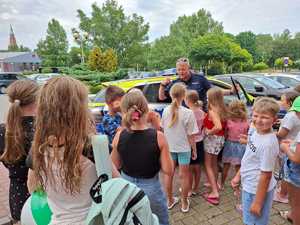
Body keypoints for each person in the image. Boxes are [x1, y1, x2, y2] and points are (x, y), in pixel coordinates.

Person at [32, 76, 118, 224]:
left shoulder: (38, 149)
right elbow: (118, 187)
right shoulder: (92, 146)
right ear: (78, 110)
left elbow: (33, 187)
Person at [111, 90, 173, 225]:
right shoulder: (158, 136)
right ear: (146, 110)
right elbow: (168, 170)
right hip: (151, 189)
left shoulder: (119, 135)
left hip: (127, 188)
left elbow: (113, 166)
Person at [232, 97, 280, 225]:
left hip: (256, 190)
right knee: (250, 220)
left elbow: (266, 175)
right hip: (249, 185)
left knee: (255, 222)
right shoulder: (256, 132)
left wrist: (258, 203)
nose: (258, 120)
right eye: (256, 115)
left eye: (264, 117)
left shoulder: (268, 144)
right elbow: (249, 157)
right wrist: (238, 176)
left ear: (274, 120)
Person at [0, 80, 39, 223]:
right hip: (41, 196)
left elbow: (6, 161)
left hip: (17, 195)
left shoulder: (3, 131)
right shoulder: (44, 130)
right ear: (37, 99)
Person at [161, 83, 198, 213]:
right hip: (184, 149)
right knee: (184, 176)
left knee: (168, 175)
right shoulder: (188, 113)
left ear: (171, 95)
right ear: (184, 96)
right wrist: (194, 150)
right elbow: (191, 136)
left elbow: (163, 129)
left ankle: (170, 200)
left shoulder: (165, 111)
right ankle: (184, 202)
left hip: (169, 149)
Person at [158, 57, 235, 110]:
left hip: (200, 116)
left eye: (183, 69)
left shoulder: (200, 79)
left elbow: (214, 91)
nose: (181, 72)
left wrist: (231, 91)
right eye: (179, 70)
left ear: (189, 68)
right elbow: (162, 98)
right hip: (184, 117)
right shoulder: (175, 83)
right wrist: (162, 85)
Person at [202, 87, 227, 205]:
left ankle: (214, 192)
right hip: (220, 140)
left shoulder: (213, 110)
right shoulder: (222, 108)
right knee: (214, 163)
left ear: (212, 98)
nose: (206, 99)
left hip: (213, 139)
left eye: (208, 97)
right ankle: (214, 182)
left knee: (208, 165)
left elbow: (218, 127)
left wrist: (208, 132)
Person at [275, 91, 300, 206]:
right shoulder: (293, 116)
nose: (280, 103)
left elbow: (282, 134)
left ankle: (282, 194)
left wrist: (272, 132)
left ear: (290, 102)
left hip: (288, 148)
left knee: (285, 172)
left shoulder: (291, 115)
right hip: (294, 144)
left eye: (282, 100)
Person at [221, 100, 249, 188]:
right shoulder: (246, 121)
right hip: (241, 145)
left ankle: (222, 184)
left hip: (229, 144)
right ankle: (237, 185)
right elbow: (247, 134)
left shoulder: (229, 121)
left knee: (226, 165)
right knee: (239, 167)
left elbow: (225, 133)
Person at [184, 90, 205, 196]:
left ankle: (189, 189)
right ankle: (195, 188)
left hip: (190, 142)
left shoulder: (188, 113)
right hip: (200, 141)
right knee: (198, 167)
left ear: (187, 100)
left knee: (190, 169)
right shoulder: (202, 112)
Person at [280, 133, 300, 225]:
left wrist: (285, 148)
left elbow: (297, 159)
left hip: (297, 176)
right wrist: (293, 144)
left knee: (296, 205)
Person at [101, 85, 125, 152]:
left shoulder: (118, 116)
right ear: (109, 103)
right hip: (115, 151)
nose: (122, 104)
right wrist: (124, 112)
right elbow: (122, 134)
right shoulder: (107, 120)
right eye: (119, 102)